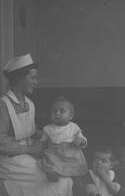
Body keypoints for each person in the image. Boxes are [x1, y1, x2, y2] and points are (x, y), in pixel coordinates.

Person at [0, 54, 73, 196]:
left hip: (31, 154)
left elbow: (31, 131)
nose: (36, 82)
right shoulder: (3, 105)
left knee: (63, 176)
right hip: (10, 160)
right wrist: (29, 149)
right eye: (32, 78)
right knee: (47, 179)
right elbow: (1, 143)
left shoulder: (30, 104)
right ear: (18, 79)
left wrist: (54, 134)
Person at [39, 96, 88, 181]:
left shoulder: (74, 127)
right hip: (55, 153)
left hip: (71, 153)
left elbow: (82, 138)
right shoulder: (47, 128)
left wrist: (81, 141)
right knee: (48, 162)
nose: (57, 113)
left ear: (71, 115)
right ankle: (53, 174)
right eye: (54, 111)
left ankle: (77, 178)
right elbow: (42, 142)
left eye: (62, 111)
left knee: (76, 166)